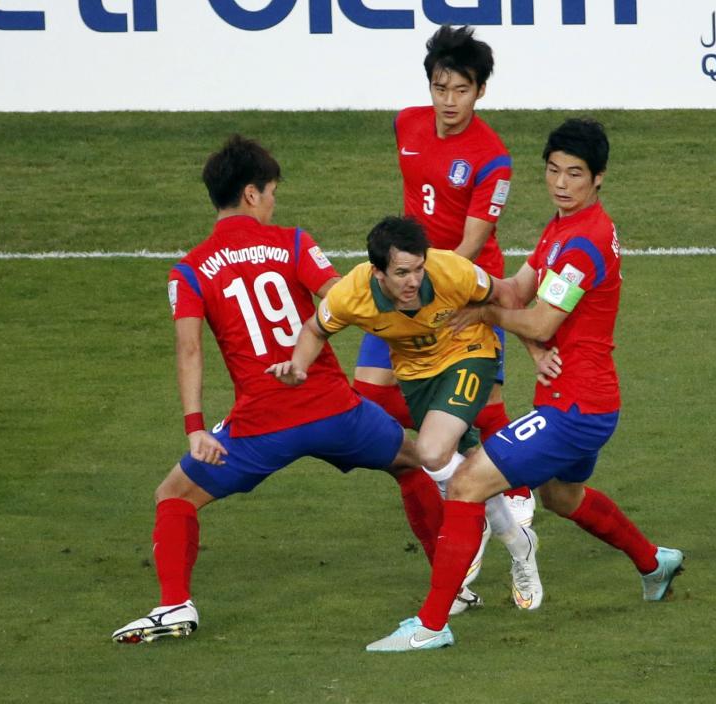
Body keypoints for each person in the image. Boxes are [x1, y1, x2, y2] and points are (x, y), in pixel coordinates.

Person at [365, 118, 685, 652]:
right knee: (562, 496)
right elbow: (517, 288)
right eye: (554, 170)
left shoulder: (584, 243)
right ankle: (655, 564)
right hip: (579, 401)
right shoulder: (560, 227)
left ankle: (431, 624)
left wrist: (483, 315)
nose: (561, 182)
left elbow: (538, 323)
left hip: (576, 409)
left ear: (599, 178)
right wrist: (457, 285)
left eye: (575, 174)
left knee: (468, 481)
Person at [111, 135, 445, 644]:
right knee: (413, 459)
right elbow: (339, 297)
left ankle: (175, 604)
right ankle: (452, 585)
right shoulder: (293, 242)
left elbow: (189, 351)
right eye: (270, 192)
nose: (274, 201)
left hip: (261, 427)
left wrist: (196, 428)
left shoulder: (190, 270)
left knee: (173, 495)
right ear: (250, 194)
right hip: (337, 410)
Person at [268, 215, 543, 615]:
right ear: (377, 272)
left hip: (470, 356)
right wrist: (299, 366)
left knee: (430, 453)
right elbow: (314, 330)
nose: (413, 281)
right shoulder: (351, 294)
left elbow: (507, 294)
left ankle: (476, 523)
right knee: (465, 470)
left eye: (418, 269)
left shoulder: (450, 270)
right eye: (401, 273)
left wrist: (536, 353)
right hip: (416, 377)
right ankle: (521, 545)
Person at [351, 23, 538, 597]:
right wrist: (405, 283)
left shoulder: (493, 158)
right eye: (440, 87)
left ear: (480, 91)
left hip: (462, 292)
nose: (448, 102)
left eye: (461, 90)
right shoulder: (405, 122)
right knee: (370, 399)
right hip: (405, 287)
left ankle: (513, 491)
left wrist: (428, 294)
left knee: (489, 407)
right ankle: (454, 470)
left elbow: (469, 246)